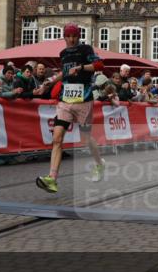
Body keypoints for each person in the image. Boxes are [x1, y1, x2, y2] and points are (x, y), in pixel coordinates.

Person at [36, 23, 107, 194]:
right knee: (57, 138)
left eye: (74, 36)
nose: (71, 39)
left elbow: (99, 65)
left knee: (85, 139)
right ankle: (52, 179)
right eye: (68, 36)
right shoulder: (63, 54)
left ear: (78, 36)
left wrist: (81, 67)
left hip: (84, 99)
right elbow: (65, 72)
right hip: (65, 100)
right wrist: (49, 82)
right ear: (64, 37)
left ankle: (99, 164)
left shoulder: (86, 49)